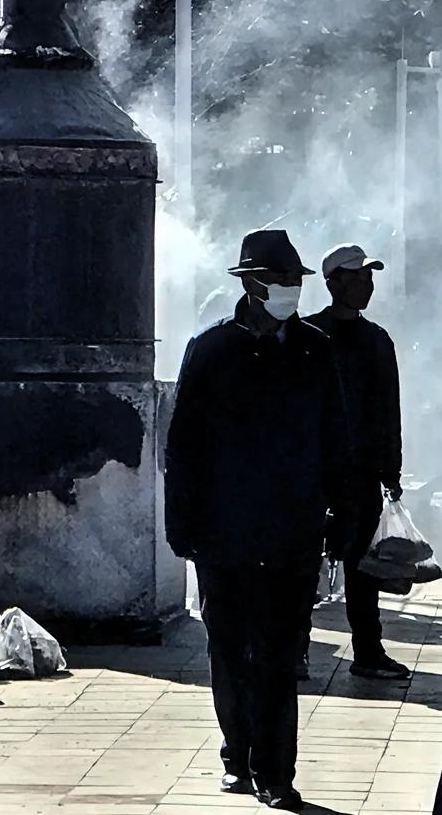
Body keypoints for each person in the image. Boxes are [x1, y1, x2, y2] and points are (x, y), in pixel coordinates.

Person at [165, 228, 353, 813]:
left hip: (294, 528)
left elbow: (335, 441)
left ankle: (276, 771)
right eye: (280, 282)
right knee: (230, 647)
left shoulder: (315, 350)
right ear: (250, 285)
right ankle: (236, 753)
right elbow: (184, 448)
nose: (290, 292)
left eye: (296, 282)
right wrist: (184, 527)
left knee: (278, 654)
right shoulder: (211, 350)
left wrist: (341, 523)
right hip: (224, 531)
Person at [304, 244, 409, 682]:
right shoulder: (308, 336)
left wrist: (391, 471)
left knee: (362, 570)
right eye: (356, 277)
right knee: (301, 564)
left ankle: (368, 650)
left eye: (368, 277)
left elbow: (389, 410)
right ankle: (294, 650)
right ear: (333, 283)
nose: (365, 285)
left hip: (362, 473)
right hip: (310, 473)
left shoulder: (376, 340)